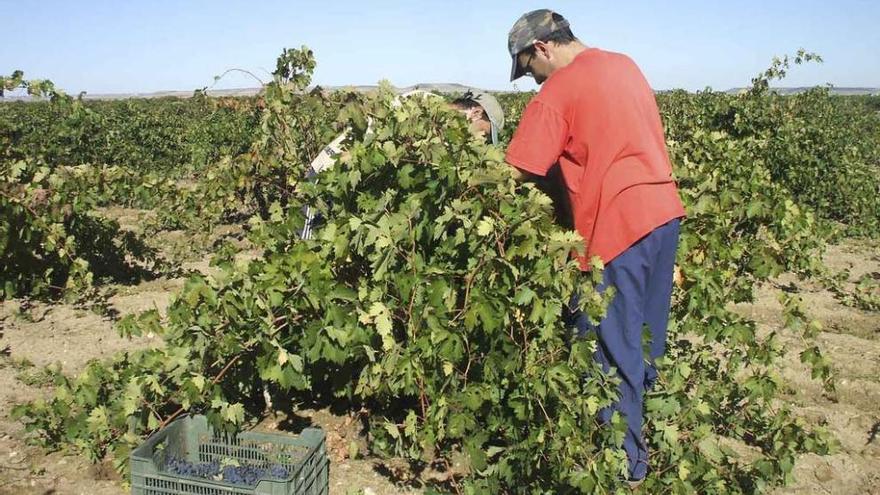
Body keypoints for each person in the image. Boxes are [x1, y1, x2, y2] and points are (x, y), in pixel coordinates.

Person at [503, 9, 687, 486]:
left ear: (542, 48)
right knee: (646, 335)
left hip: (617, 225)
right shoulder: (625, 64)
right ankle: (654, 424)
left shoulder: (558, 90)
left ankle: (624, 467)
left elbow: (517, 168)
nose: (531, 81)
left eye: (527, 69)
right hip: (664, 212)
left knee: (610, 346)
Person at [300, 89, 504, 240]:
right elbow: (362, 149)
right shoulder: (422, 104)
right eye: (484, 133)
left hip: (347, 185)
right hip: (325, 178)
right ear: (476, 113)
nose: (480, 140)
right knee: (308, 248)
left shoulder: (441, 126)